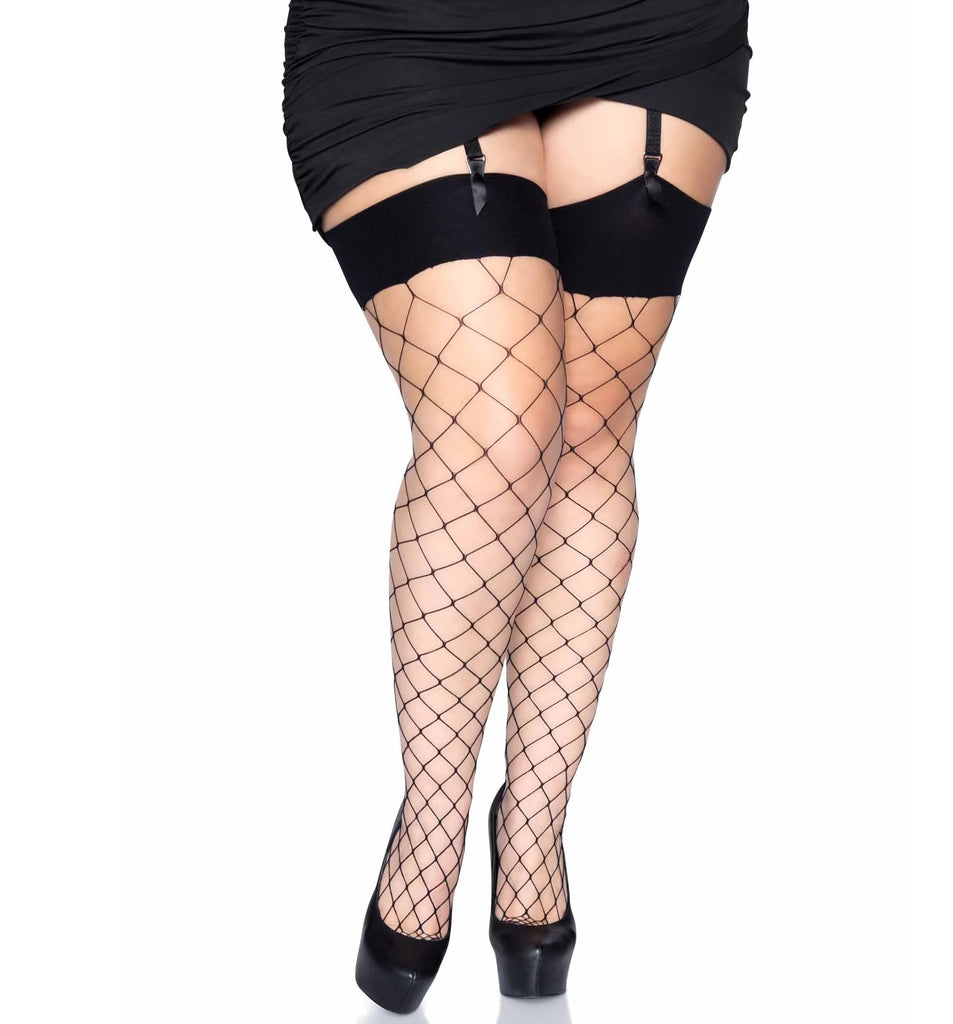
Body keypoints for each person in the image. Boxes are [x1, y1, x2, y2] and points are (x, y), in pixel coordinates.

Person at [281, 0, 752, 1012]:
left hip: (649, 28)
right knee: (497, 434)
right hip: (405, 31)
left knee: (590, 428)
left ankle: (534, 829)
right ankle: (430, 827)